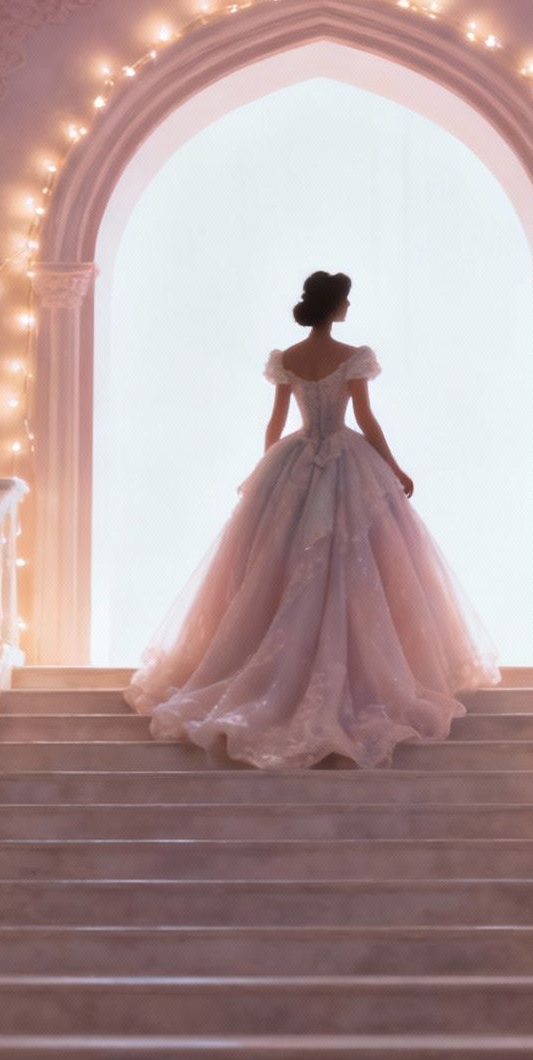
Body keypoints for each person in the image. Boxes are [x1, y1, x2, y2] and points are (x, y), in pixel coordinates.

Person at [125, 270, 499, 769]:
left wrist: (267, 473)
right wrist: (393, 466)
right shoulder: (352, 356)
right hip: (345, 457)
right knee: (354, 562)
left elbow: (276, 421)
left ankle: (288, 667)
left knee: (286, 565)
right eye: (346, 300)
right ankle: (351, 673)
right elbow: (365, 419)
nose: (349, 306)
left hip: (295, 459)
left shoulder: (289, 359)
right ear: (336, 304)